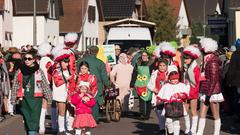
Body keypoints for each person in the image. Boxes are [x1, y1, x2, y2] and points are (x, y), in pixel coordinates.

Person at [11, 49, 52, 135]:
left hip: (36, 100)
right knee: (27, 119)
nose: (27, 60)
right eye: (25, 59)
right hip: (24, 99)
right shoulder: (20, 70)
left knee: (33, 119)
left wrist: (49, 98)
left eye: (29, 59)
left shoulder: (38, 71)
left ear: (33, 60)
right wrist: (13, 98)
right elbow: (15, 84)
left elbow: (44, 85)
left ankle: (32, 132)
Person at [196, 38, 224, 135]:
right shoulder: (206, 60)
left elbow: (214, 79)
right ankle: (199, 133)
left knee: (216, 115)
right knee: (201, 114)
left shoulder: (212, 61)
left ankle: (216, 134)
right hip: (205, 90)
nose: (200, 49)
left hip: (213, 92)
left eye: (201, 48)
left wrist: (209, 94)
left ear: (205, 49)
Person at [78, 46, 109, 123]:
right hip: (97, 84)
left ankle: (83, 118)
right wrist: (107, 85)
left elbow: (76, 71)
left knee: (82, 100)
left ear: (89, 51)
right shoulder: (100, 62)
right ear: (97, 52)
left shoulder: (80, 61)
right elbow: (104, 76)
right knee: (94, 102)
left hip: (82, 82)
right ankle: (94, 119)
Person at [51, 45, 75, 135]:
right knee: (61, 112)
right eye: (65, 62)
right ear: (60, 62)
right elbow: (57, 83)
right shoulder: (56, 71)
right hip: (59, 94)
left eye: (68, 61)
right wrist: (67, 79)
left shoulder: (68, 71)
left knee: (69, 111)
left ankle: (67, 127)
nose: (67, 63)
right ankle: (61, 130)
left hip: (67, 93)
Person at [157, 71, 189, 135]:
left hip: (178, 105)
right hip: (168, 105)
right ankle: (170, 132)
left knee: (176, 121)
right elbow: (161, 95)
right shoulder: (166, 86)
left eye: (176, 79)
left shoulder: (181, 85)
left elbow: (185, 95)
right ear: (170, 79)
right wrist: (159, 100)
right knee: (168, 120)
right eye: (173, 79)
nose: (175, 80)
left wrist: (179, 95)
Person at [130, 51, 156, 120]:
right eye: (142, 55)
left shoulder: (151, 64)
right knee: (141, 100)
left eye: (145, 55)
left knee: (148, 100)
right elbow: (134, 74)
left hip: (148, 84)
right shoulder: (138, 63)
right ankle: (142, 114)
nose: (144, 57)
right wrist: (132, 85)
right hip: (140, 84)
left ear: (148, 56)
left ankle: (147, 115)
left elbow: (155, 73)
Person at [182, 45, 201, 135]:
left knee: (193, 111)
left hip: (193, 91)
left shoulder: (195, 68)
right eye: (184, 58)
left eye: (187, 59)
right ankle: (187, 129)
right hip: (186, 91)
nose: (185, 60)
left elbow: (196, 82)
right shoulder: (186, 67)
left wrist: (194, 92)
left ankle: (193, 130)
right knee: (185, 111)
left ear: (192, 59)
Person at [147, 59, 169, 134]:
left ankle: (168, 129)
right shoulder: (155, 74)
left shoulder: (169, 74)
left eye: (164, 66)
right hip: (158, 97)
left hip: (167, 97)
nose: (162, 67)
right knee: (160, 115)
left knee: (168, 115)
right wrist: (154, 89)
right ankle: (162, 129)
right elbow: (149, 85)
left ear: (167, 66)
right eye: (160, 65)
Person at [37, 42, 54, 134]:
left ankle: (41, 126)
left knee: (42, 105)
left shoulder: (40, 60)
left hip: (40, 84)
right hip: (48, 83)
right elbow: (51, 72)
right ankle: (45, 126)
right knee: (48, 104)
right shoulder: (49, 60)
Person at [226, 38, 240, 122]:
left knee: (237, 99)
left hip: (237, 81)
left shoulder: (235, 55)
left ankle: (238, 116)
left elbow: (231, 69)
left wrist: (229, 81)